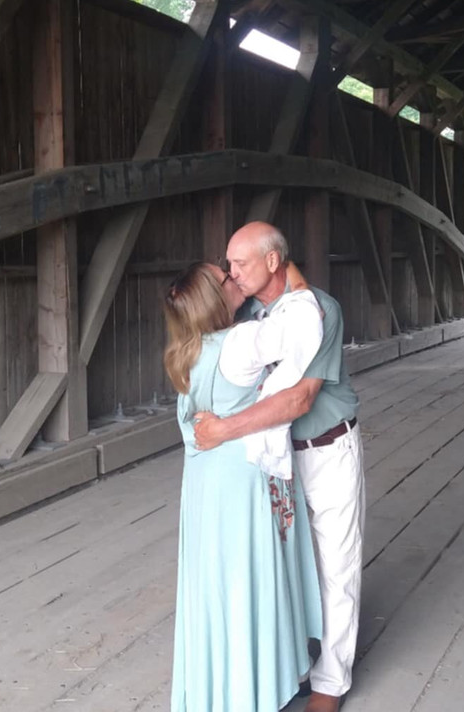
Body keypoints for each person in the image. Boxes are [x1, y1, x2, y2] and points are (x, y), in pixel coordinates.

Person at [194, 223, 364, 712]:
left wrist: (224, 430)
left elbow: (300, 398)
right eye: (228, 264)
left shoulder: (320, 310)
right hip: (274, 458)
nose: (232, 273)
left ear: (272, 262)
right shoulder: (247, 310)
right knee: (286, 565)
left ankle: (330, 684)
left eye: (239, 263)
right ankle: (291, 666)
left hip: (326, 448)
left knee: (336, 566)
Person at [164, 260, 324, 712]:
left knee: (216, 582)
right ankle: (257, 687)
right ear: (215, 297)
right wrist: (293, 276)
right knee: (249, 577)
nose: (234, 277)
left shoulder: (187, 351)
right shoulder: (239, 343)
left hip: (204, 485)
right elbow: (305, 325)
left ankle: (220, 689)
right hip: (241, 479)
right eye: (224, 276)